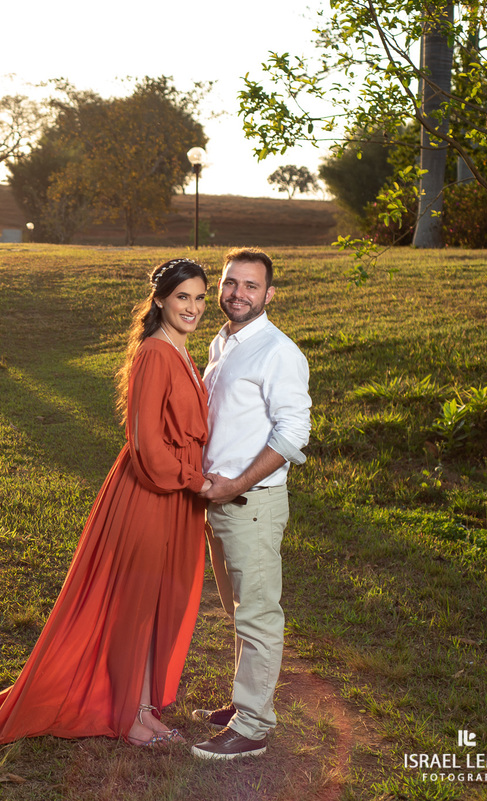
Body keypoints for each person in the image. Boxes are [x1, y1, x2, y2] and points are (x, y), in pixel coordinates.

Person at [0, 259, 213, 751]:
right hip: (152, 495)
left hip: (177, 499)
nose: (193, 307)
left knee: (158, 606)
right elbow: (146, 445)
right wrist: (197, 480)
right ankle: (128, 717)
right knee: (135, 608)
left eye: (199, 298)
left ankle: (142, 708)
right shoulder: (155, 353)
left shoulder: (183, 351)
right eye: (183, 298)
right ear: (159, 301)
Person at [190, 248, 312, 760]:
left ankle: (254, 727)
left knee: (258, 615)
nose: (238, 294)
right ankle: (244, 705)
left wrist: (234, 484)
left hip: (251, 504)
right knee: (240, 612)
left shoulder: (278, 352)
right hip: (218, 503)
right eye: (231, 283)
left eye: (251, 286)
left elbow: (294, 435)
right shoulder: (224, 341)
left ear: (269, 294)